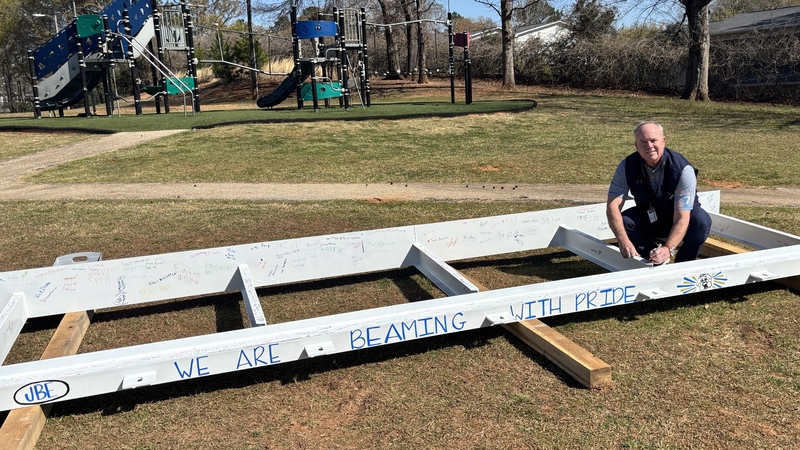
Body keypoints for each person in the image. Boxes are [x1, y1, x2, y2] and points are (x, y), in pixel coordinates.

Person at [606, 121, 712, 265]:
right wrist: (623, 240)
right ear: (636, 146)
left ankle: (683, 264)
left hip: (681, 219)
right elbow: (613, 206)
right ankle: (653, 257)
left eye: (653, 140)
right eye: (643, 142)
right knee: (626, 221)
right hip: (652, 218)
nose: (649, 146)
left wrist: (668, 248)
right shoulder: (627, 166)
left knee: (701, 220)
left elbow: (682, 216)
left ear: (663, 141)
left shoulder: (682, 170)